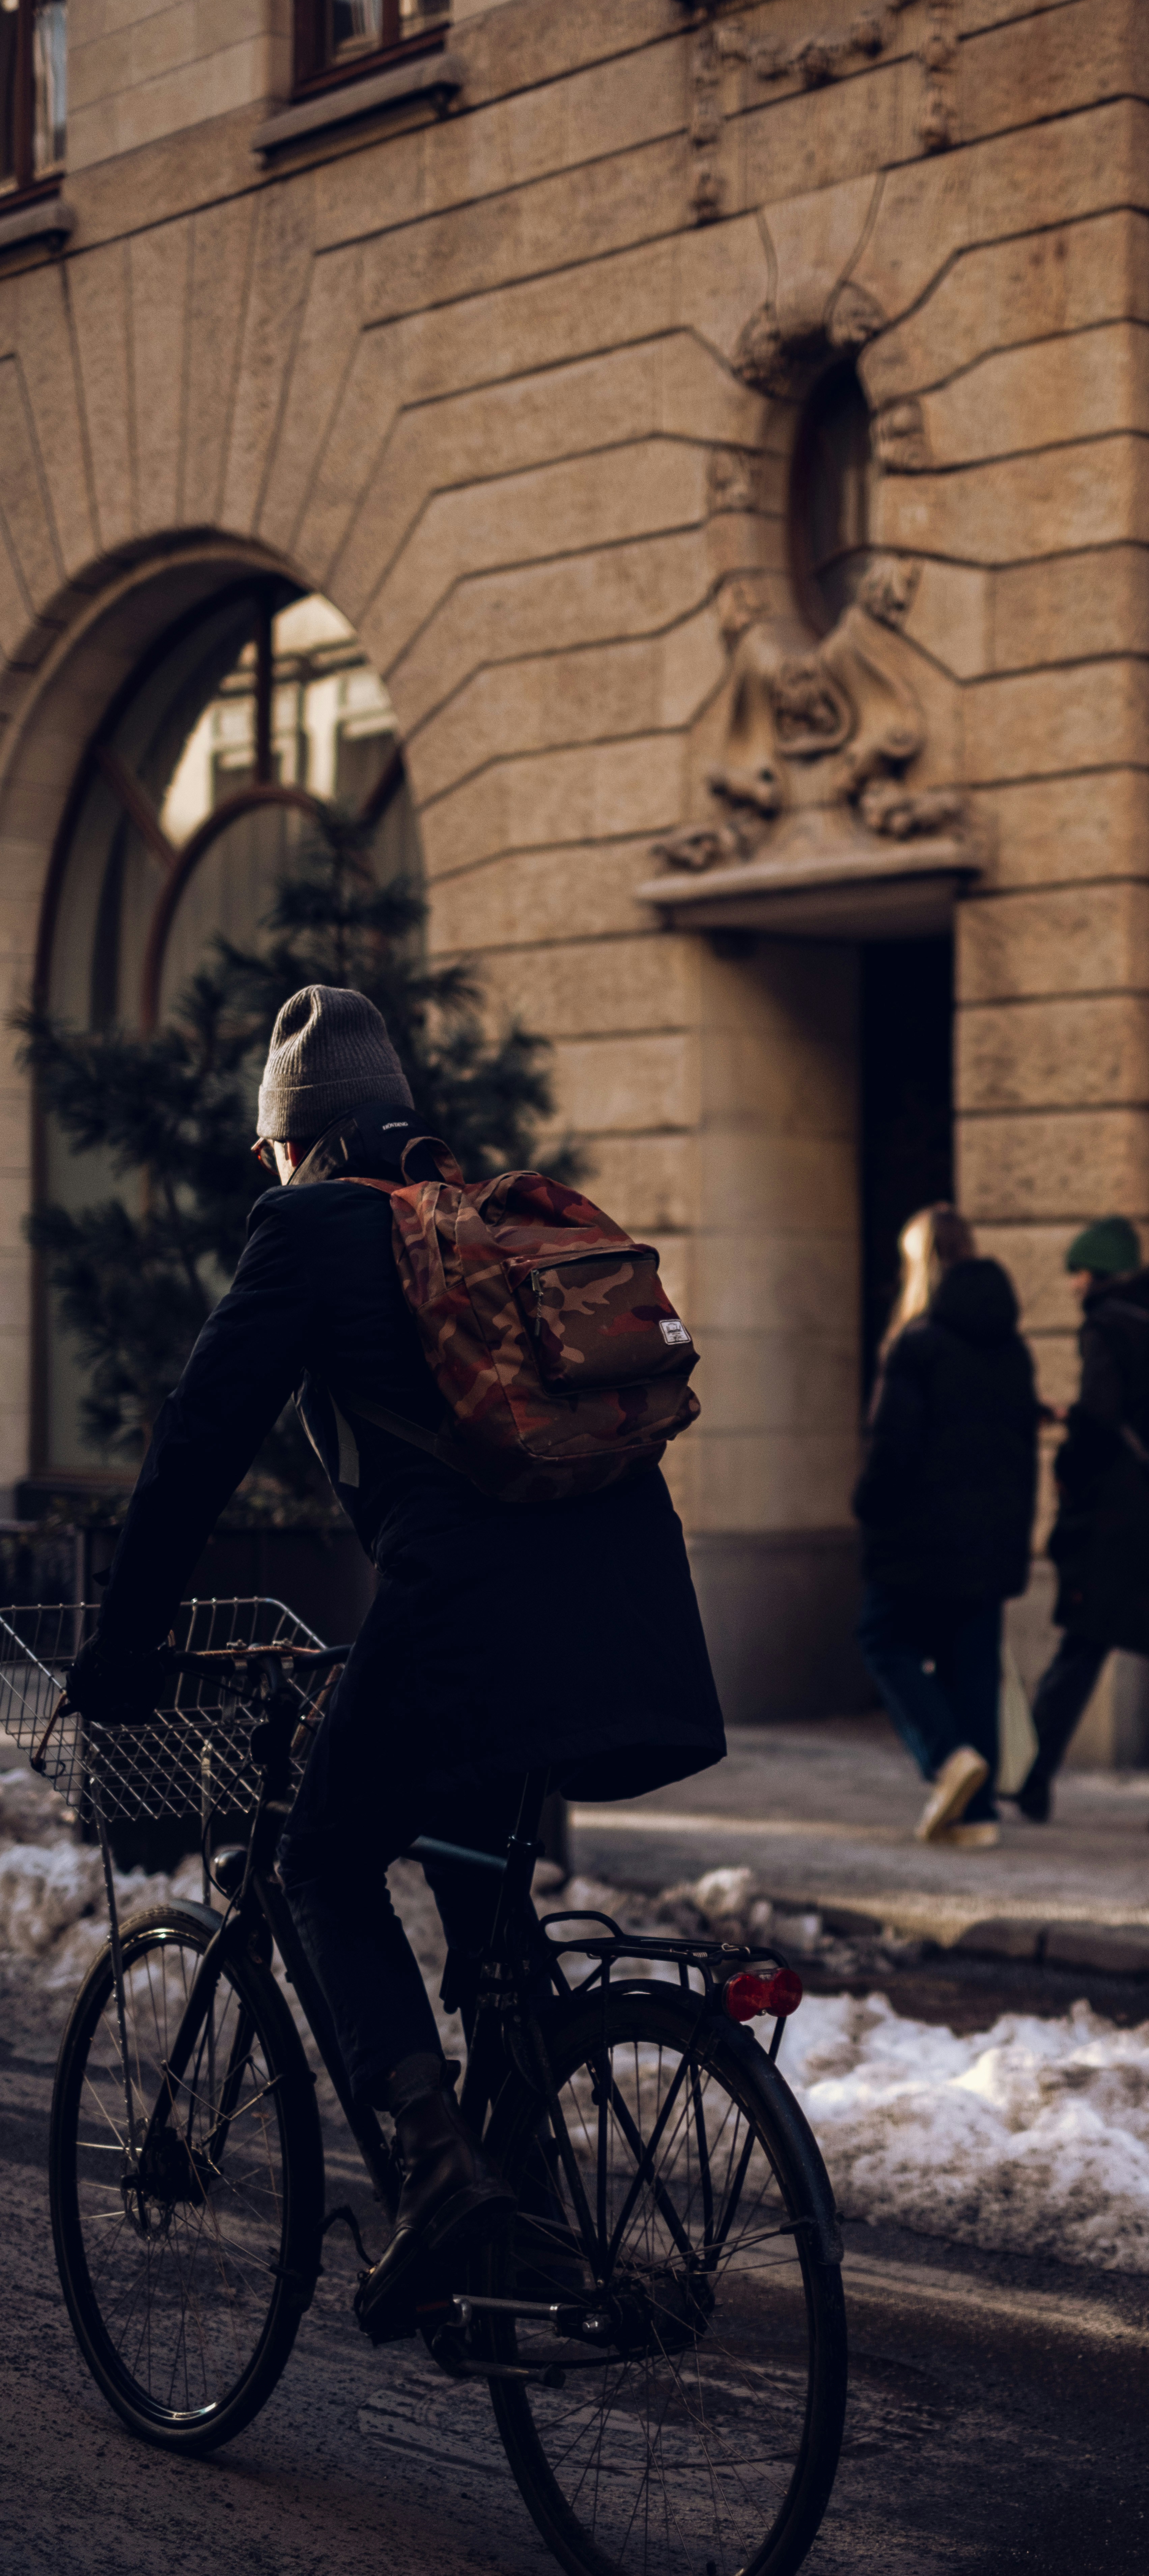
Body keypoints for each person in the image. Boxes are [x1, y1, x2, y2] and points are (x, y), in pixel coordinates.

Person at [64, 985, 725, 2341]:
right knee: (479, 1887)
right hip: (635, 1621)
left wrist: (121, 1649)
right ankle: (526, 2234)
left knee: (318, 1858)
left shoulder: (311, 1232)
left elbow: (197, 1443)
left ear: (293, 1145)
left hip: (472, 1615)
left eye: (269, 1153)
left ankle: (436, 2184)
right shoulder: (483, 1226)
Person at [1012, 1216, 1149, 1838]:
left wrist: (1067, 1462)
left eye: (1078, 1273)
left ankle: (1032, 1776)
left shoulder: (1107, 1326)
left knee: (1079, 1647)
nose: (1073, 1285)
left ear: (1098, 1276)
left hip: (1121, 1523)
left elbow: (1104, 1415)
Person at [853, 1204, 1039, 1849]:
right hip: (990, 1539)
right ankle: (976, 1818)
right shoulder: (1011, 1348)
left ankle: (948, 1757)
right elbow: (1022, 1452)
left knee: (882, 1640)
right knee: (972, 1666)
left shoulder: (918, 1344)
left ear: (921, 1264)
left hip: (918, 1536)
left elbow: (893, 1450)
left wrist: (867, 1506)